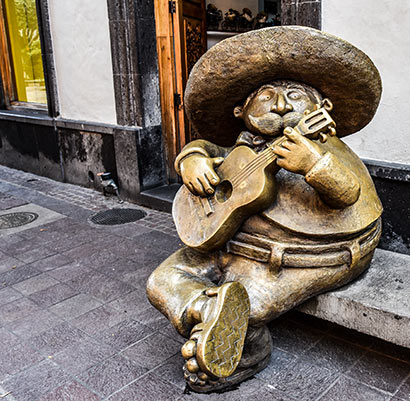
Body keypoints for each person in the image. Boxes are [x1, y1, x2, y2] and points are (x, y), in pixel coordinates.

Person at [146, 26, 383, 392]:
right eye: (267, 96)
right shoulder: (241, 149)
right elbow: (203, 146)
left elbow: (348, 194)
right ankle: (208, 312)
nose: (282, 106)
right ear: (241, 111)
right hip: (231, 244)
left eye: (295, 96)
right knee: (162, 280)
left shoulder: (322, 144)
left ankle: (249, 349)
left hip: (305, 258)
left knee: (251, 309)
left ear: (321, 108)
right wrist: (191, 159)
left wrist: (314, 165)